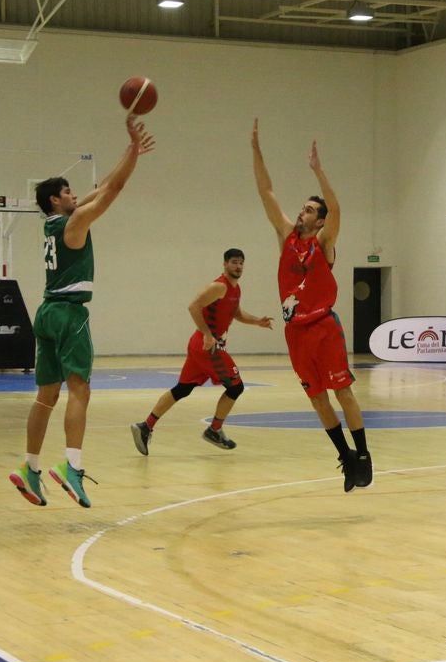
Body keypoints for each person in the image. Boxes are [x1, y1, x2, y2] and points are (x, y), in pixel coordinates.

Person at [9, 115, 154, 509]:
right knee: (80, 390)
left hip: (46, 312)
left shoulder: (54, 226)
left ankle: (30, 468)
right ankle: (71, 468)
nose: (76, 194)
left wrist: (130, 150)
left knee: (46, 396)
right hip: (70, 314)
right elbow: (114, 190)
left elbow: (103, 184)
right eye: (69, 191)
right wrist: (133, 157)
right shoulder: (74, 225)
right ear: (56, 199)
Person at [250, 118, 371, 492]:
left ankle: (364, 455)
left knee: (342, 392)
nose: (301, 212)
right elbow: (266, 192)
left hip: (323, 327)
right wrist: (256, 151)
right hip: (295, 332)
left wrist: (319, 173)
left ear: (319, 221)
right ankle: (346, 457)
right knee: (317, 400)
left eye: (308, 209)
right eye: (301, 208)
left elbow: (336, 209)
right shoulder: (286, 236)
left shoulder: (324, 242)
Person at [130, 248, 274, 454]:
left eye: (241, 263)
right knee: (235, 388)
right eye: (234, 262)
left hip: (200, 346)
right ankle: (214, 430)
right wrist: (207, 334)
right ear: (225, 264)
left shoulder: (236, 289)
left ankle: (146, 426)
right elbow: (193, 306)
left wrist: (257, 321)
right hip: (209, 348)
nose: (238, 266)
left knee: (182, 389)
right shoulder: (219, 286)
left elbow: (237, 313)